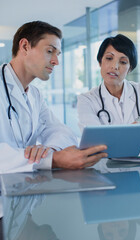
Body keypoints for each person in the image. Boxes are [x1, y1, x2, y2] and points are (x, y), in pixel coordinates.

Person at [0, 20, 108, 174]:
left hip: (23, 187)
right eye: (50, 51)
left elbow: (60, 130)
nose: (56, 62)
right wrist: (52, 159)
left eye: (57, 54)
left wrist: (49, 150)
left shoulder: (34, 95)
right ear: (25, 46)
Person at [77, 34, 140, 146]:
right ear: (100, 62)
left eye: (123, 62)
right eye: (109, 58)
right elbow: (95, 142)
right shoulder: (87, 100)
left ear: (130, 68)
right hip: (107, 162)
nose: (115, 66)